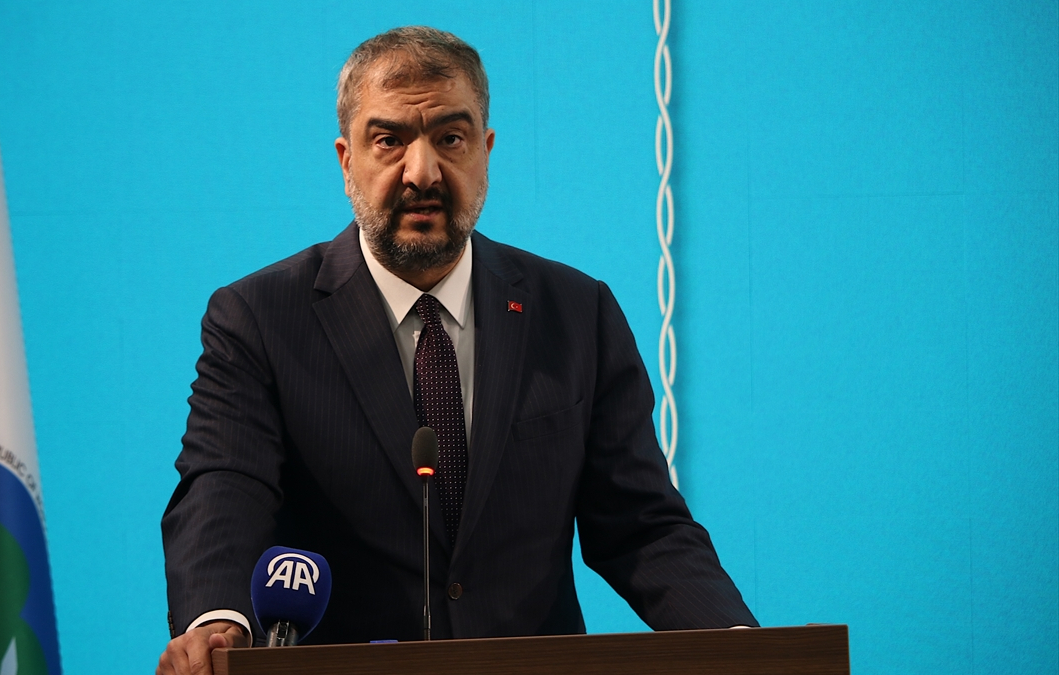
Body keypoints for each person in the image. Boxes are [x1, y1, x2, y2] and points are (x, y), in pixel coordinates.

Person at [157, 26, 756, 675]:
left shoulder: (577, 313)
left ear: (485, 152)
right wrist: (217, 618)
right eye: (389, 140)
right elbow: (224, 486)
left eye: (450, 138)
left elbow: (641, 525)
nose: (422, 172)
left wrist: (742, 647)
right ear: (346, 160)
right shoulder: (260, 318)